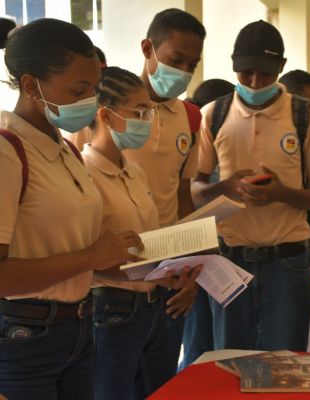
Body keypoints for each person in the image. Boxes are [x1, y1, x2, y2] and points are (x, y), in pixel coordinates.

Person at [0, 19, 142, 399]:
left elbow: (80, 257)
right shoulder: (7, 150)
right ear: (31, 85)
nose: (90, 102)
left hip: (79, 327)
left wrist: (152, 274)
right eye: (79, 90)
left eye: (94, 90)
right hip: (24, 334)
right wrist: (91, 256)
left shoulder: (65, 149)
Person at [193, 20, 310, 352]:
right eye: (246, 73)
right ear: (233, 64)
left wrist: (280, 193)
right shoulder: (213, 114)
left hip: (288, 263)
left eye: (266, 74)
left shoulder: (305, 116)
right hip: (229, 262)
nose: (255, 82)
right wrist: (224, 186)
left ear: (282, 68)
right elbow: (194, 192)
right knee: (229, 362)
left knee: (284, 366)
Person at [82, 66, 201, 399]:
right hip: (110, 308)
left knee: (157, 392)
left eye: (149, 110)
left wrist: (177, 267)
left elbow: (149, 242)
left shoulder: (133, 171)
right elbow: (85, 258)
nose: (148, 119)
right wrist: (147, 269)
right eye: (139, 112)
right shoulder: (84, 173)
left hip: (154, 304)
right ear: (106, 115)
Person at [123, 8, 206, 377]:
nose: (184, 72)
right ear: (148, 48)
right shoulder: (106, 108)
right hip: (115, 275)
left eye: (192, 64)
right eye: (176, 60)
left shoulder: (190, 117)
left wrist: (191, 270)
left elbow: (183, 198)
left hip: (169, 276)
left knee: (161, 383)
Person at [180, 77, 235, 370]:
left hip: (210, 256)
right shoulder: (192, 148)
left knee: (207, 343)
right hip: (200, 255)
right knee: (201, 343)